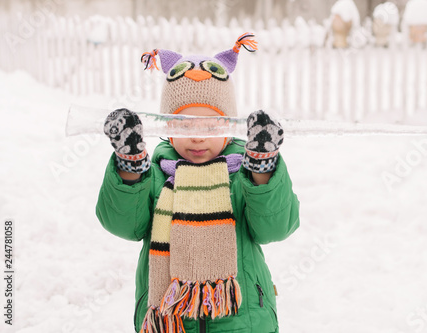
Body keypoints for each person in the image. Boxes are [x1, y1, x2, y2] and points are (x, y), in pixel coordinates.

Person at [95, 33, 300, 333]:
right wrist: (131, 168)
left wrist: (261, 170)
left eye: (211, 124)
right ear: (167, 126)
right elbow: (122, 223)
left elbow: (276, 227)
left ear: (230, 128)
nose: (198, 136)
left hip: (244, 321)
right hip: (169, 322)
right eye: (183, 123)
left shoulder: (241, 177)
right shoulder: (156, 177)